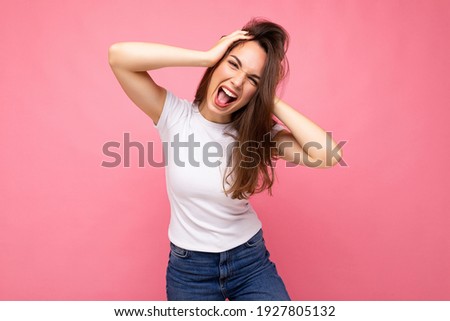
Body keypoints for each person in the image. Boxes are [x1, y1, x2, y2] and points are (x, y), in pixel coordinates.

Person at [108, 18, 343, 301]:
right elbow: (118, 56)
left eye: (253, 79)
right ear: (217, 63)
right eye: (233, 64)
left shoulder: (260, 134)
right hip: (190, 272)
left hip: (250, 264)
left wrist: (269, 96)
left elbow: (329, 155)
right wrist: (205, 57)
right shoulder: (174, 115)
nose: (238, 81)